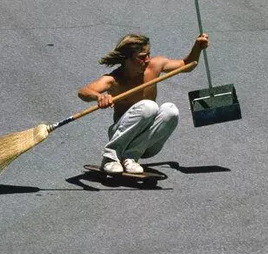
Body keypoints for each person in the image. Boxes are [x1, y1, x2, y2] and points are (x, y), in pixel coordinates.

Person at [78, 33, 209, 174]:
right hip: (121, 136)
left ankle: (130, 156)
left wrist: (197, 48)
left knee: (171, 111)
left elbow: (187, 65)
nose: (147, 60)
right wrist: (98, 97)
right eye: (141, 57)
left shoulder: (155, 65)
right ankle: (110, 157)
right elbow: (84, 92)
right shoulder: (115, 79)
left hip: (147, 142)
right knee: (149, 106)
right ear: (126, 58)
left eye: (148, 55)